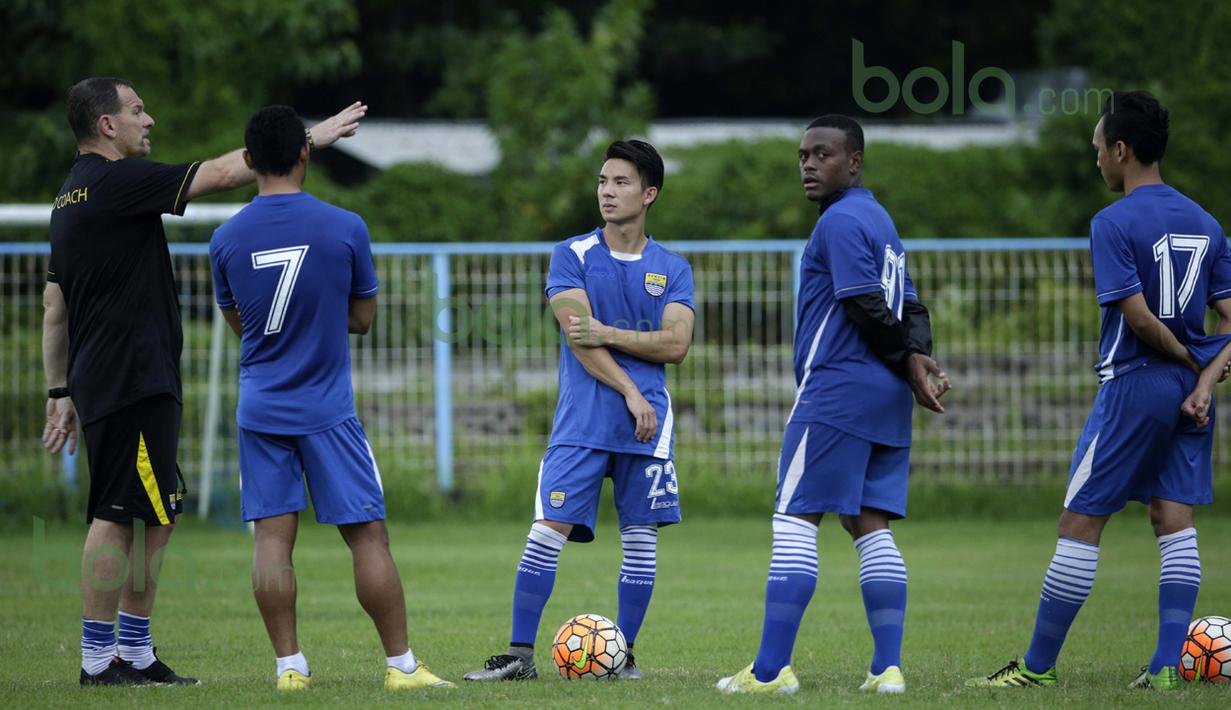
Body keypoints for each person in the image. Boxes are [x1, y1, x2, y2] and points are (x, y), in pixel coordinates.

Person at [42, 76, 366, 687]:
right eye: (138, 110)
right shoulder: (115, 180)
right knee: (115, 512)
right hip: (131, 377)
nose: (150, 120)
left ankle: (134, 652)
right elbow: (218, 174)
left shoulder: (69, 196)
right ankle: (97, 661)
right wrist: (306, 140)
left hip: (111, 378)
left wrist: (58, 392)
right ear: (106, 126)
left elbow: (52, 305)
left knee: (160, 510)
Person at [968, 92, 1231, 690]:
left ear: (1121, 148)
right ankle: (1166, 669)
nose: (1096, 162)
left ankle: (1036, 669)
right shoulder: (1208, 223)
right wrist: (1205, 381)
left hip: (1136, 386)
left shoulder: (1112, 222)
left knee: (1079, 523)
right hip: (1193, 393)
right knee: (1174, 520)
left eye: (1097, 150)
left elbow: (1138, 319)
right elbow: (1230, 319)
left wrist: (1191, 362)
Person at [206, 106, 454, 692]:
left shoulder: (224, 239)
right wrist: (317, 320)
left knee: (272, 539)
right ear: (305, 153)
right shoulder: (346, 226)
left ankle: (290, 670)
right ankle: (401, 668)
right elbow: (364, 319)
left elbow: (242, 324)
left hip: (261, 407)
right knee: (367, 536)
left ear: (246, 161)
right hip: (327, 410)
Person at [717, 115, 950, 695]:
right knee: (869, 524)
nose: (808, 165)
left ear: (854, 162)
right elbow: (913, 307)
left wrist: (908, 357)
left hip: (838, 393)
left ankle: (770, 673)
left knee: (795, 517)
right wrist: (916, 359)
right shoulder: (879, 220)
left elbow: (864, 305)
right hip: (887, 402)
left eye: (822, 155)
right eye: (802, 155)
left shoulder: (842, 221)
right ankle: (888, 669)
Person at [463, 140, 695, 682]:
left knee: (640, 540)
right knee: (547, 530)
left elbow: (677, 345)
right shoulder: (572, 254)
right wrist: (631, 388)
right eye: (602, 181)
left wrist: (611, 332)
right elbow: (577, 336)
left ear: (649, 193)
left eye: (621, 182)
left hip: (648, 431)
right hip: (584, 423)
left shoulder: (673, 268)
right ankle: (520, 657)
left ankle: (625, 657)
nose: (607, 192)